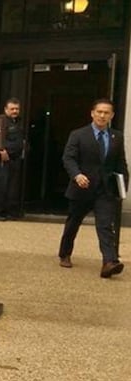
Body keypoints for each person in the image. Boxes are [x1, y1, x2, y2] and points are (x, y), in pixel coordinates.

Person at [58, 98, 128, 278]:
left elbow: (121, 164)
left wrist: (122, 188)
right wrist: (77, 175)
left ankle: (109, 262)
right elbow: (68, 158)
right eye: (99, 112)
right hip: (82, 187)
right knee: (73, 223)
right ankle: (65, 253)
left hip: (105, 190)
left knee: (105, 226)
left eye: (106, 113)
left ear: (111, 115)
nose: (102, 115)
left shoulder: (116, 137)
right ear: (92, 113)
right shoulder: (78, 135)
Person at [0, 98, 25, 221]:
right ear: (5, 109)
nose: (15, 111)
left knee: (11, 187)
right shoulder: (0, 122)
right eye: (12, 109)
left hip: (14, 159)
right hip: (0, 160)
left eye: (17, 109)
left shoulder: (18, 122)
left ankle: (8, 211)